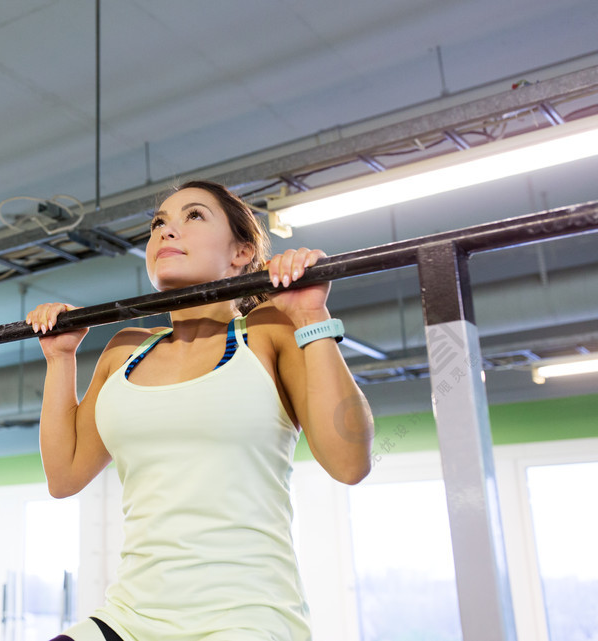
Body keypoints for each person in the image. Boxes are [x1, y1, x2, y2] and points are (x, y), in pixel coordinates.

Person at [26, 180, 374, 641]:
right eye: (158, 223)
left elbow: (350, 463)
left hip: (245, 619)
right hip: (130, 619)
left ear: (241, 252)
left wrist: (311, 317)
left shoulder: (268, 331)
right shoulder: (124, 348)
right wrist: (60, 358)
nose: (166, 232)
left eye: (193, 216)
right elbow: (64, 476)